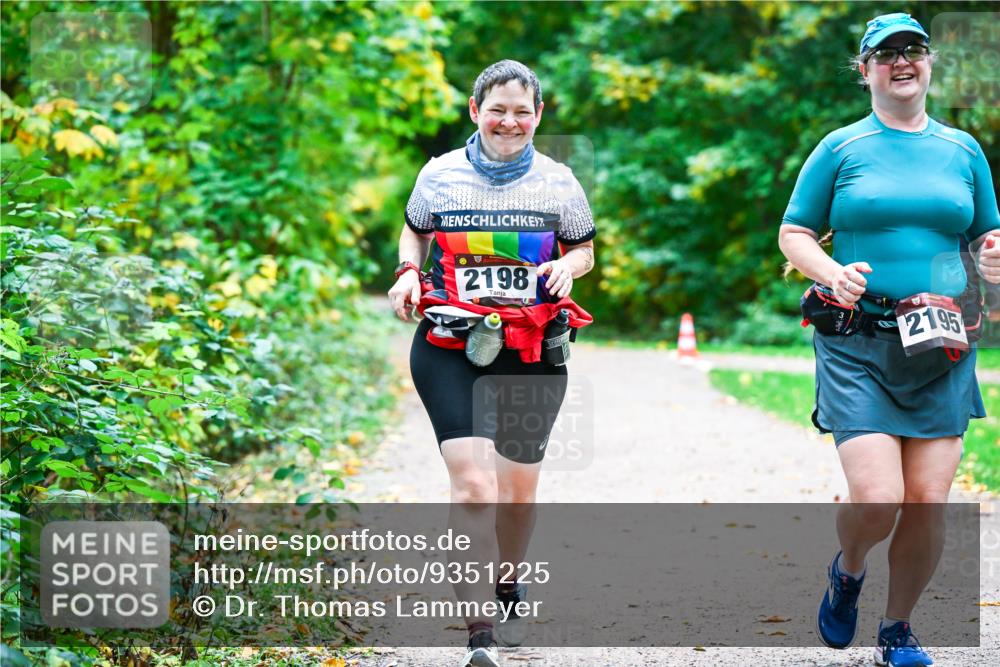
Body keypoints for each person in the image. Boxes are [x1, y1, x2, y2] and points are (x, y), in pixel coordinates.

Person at [778, 12, 1000, 667]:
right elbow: (794, 233)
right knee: (878, 499)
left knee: (928, 501)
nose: (902, 61)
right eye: (886, 53)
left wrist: (992, 256)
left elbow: (987, 234)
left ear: (928, 61)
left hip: (942, 342)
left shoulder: (963, 150)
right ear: (865, 69)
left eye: (913, 49)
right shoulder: (840, 147)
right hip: (860, 343)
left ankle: (897, 627)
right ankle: (848, 569)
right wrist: (831, 273)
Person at [387, 59, 596, 667]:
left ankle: (508, 579)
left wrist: (567, 266)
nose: (510, 122)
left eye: (522, 112)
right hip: (451, 343)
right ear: (476, 110)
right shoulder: (439, 175)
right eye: (498, 110)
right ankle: (480, 632)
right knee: (475, 484)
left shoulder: (559, 182)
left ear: (538, 115)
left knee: (517, 493)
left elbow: (583, 248)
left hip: (532, 346)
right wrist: (408, 272)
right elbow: (415, 231)